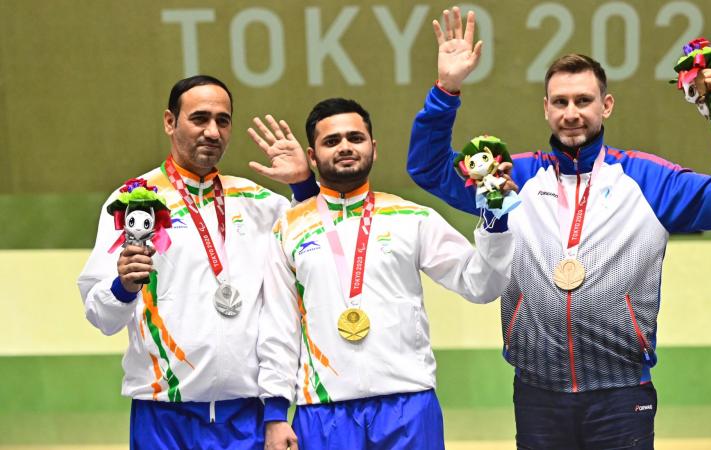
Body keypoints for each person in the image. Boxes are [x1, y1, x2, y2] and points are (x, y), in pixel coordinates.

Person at [406, 7, 711, 449]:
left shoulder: (647, 180)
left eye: (583, 100)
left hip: (622, 393)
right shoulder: (506, 178)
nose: (571, 113)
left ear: (606, 105)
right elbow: (428, 168)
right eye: (560, 102)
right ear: (546, 109)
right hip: (538, 393)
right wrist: (447, 89)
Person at [254, 98, 514, 450]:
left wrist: (496, 223)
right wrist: (274, 412)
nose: (345, 146)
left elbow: (480, 284)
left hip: (408, 405)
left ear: (373, 149)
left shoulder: (412, 218)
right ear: (312, 157)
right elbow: (278, 324)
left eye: (355, 138)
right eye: (332, 141)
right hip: (322, 410)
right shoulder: (288, 228)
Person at [77, 75, 315, 449]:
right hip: (164, 415)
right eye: (199, 118)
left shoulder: (261, 203)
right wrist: (123, 287)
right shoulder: (133, 203)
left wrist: (303, 186)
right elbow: (101, 317)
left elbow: (320, 251)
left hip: (248, 415)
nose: (212, 131)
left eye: (223, 120)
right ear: (170, 122)